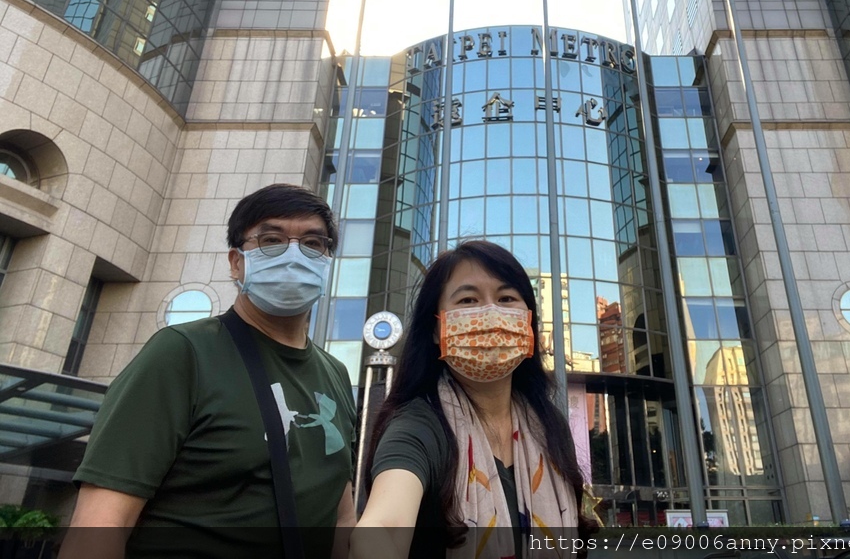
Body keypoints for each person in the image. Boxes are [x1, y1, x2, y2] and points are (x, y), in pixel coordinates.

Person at [62, 183, 356, 559]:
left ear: (327, 261)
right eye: (271, 240)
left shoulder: (335, 374)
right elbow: (101, 523)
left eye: (313, 244)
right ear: (236, 262)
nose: (294, 256)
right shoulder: (182, 353)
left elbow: (342, 517)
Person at [352, 240, 596, 559]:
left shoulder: (549, 426)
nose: (491, 313)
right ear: (436, 329)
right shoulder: (419, 427)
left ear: (528, 322)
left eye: (506, 298)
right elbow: (383, 526)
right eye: (468, 300)